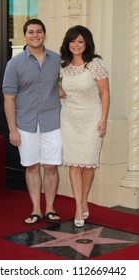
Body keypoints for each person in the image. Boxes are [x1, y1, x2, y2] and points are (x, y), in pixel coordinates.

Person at [2, 19, 62, 225]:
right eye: (30, 32)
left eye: (38, 31)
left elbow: (62, 87)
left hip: (52, 121)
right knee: (32, 166)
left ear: (44, 34)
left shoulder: (57, 60)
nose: (35, 35)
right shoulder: (14, 63)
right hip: (25, 124)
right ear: (25, 36)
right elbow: (8, 98)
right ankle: (36, 209)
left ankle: (51, 208)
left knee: (52, 166)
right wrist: (12, 130)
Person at [59, 25, 110, 227]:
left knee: (88, 166)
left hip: (92, 118)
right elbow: (64, 92)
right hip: (70, 118)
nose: (76, 45)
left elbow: (105, 93)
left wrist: (103, 120)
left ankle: (83, 199)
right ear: (67, 43)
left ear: (86, 43)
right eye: (73, 41)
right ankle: (78, 207)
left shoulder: (95, 64)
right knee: (74, 165)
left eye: (80, 41)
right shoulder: (64, 65)